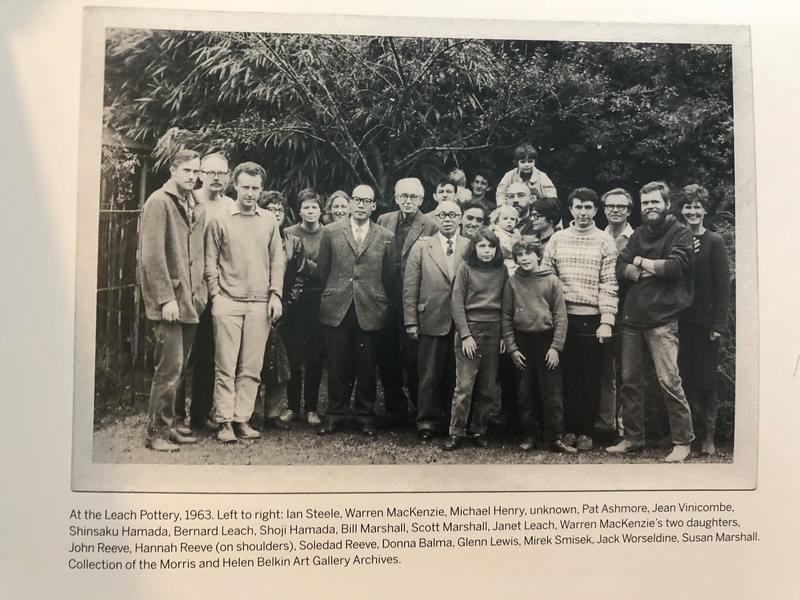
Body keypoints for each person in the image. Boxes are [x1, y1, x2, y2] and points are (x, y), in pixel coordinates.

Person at [607, 181, 696, 462]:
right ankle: (632, 438)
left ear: (667, 203)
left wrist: (642, 262)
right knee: (629, 382)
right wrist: (644, 270)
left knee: (669, 381)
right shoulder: (639, 233)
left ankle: (683, 441)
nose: (649, 207)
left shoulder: (679, 232)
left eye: (654, 202)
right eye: (645, 203)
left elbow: (675, 266)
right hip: (633, 319)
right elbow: (620, 265)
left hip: (663, 319)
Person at [205, 162, 285, 443]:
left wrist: (275, 294)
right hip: (228, 302)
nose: (250, 193)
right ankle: (224, 422)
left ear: (261, 190)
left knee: (252, 367)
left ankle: (242, 420)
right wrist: (215, 296)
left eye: (255, 188)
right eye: (245, 187)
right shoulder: (220, 220)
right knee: (225, 366)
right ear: (234, 186)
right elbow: (210, 261)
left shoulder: (269, 221)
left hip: (259, 305)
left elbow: (278, 259)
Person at [139, 149, 207, 451]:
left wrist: (201, 292)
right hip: (170, 304)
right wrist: (166, 299)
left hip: (191, 301)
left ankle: (170, 428)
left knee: (179, 370)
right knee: (168, 369)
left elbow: (197, 254)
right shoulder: (159, 202)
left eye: (196, 171)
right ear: (172, 170)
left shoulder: (194, 203)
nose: (193, 176)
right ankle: (155, 433)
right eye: (187, 171)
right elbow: (151, 256)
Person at [542, 187, 618, 452]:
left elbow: (609, 282)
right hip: (562, 318)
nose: (583, 212)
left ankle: (587, 431)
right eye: (578, 207)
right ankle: (570, 429)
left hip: (592, 319)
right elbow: (547, 280)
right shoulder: (557, 239)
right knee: (567, 377)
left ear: (595, 211)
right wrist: (551, 316)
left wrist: (606, 320)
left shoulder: (604, 240)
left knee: (591, 377)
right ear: (570, 209)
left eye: (588, 207)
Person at [316, 184, 393, 436]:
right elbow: (323, 269)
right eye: (357, 200)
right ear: (349, 204)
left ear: (374, 206)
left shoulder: (385, 236)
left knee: (367, 365)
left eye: (366, 201)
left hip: (370, 307)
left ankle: (365, 416)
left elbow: (389, 274)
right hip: (337, 305)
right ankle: (335, 413)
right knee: (337, 364)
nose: (361, 205)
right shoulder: (330, 231)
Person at [502, 237, 575, 453]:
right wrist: (513, 348)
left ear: (538, 255)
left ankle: (553, 437)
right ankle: (529, 435)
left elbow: (561, 316)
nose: (524, 258)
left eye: (528, 253)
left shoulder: (551, 281)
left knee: (552, 393)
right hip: (522, 341)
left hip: (546, 341)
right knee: (525, 393)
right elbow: (506, 317)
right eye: (520, 255)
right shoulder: (513, 282)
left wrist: (556, 347)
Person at [376, 177, 439, 428]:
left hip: (414, 299)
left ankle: (420, 408)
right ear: (396, 198)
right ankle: (395, 410)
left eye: (413, 197)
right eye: (403, 196)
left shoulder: (431, 225)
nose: (408, 201)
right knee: (387, 355)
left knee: (415, 358)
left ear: (421, 200)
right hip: (386, 298)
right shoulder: (384, 220)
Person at [403, 200, 468, 440]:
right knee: (428, 373)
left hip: (462, 321)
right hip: (430, 316)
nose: (448, 219)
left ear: (460, 218)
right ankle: (427, 422)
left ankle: (454, 422)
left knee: (457, 373)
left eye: (453, 214)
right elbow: (410, 286)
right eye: (443, 215)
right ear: (436, 219)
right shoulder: (421, 248)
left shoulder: (470, 247)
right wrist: (411, 320)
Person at [180, 151, 234, 432]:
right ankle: (177, 416)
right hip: (189, 288)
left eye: (221, 173)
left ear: (228, 177)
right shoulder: (189, 200)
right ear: (201, 174)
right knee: (182, 353)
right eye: (210, 172)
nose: (216, 178)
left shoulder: (232, 206)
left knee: (209, 353)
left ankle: (200, 415)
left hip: (219, 290)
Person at [677, 184, 731, 456]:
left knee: (706, 382)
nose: (692, 211)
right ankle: (686, 435)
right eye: (687, 206)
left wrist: (718, 325)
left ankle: (708, 439)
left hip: (706, 325)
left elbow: (723, 288)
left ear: (705, 209)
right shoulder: (676, 238)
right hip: (679, 322)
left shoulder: (715, 242)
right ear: (681, 210)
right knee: (682, 380)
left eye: (697, 206)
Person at [444, 227, 509, 450]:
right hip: (470, 330)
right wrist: (465, 335)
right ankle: (456, 432)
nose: (487, 251)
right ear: (474, 248)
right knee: (464, 386)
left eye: (491, 246)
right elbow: (456, 303)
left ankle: (478, 430)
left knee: (488, 388)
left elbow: (505, 304)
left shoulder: (502, 270)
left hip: (493, 331)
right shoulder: (465, 268)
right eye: (482, 246)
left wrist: (502, 335)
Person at [256, 191, 307, 431]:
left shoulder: (293, 241)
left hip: (286, 313)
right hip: (255, 307)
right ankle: (250, 413)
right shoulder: (253, 236)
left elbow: (299, 278)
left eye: (280, 210)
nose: (276, 214)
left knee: (282, 365)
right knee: (252, 361)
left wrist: (284, 308)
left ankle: (273, 413)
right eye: (271, 208)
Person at [282, 188, 327, 426]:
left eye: (315, 207)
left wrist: (305, 265)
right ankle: (291, 406)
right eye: (306, 207)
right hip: (294, 300)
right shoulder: (289, 233)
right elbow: (286, 268)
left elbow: (326, 270)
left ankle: (311, 408)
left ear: (321, 210)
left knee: (315, 354)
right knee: (293, 353)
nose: (311, 211)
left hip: (318, 300)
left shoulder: (328, 233)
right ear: (299, 210)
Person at [597, 188, 636, 440]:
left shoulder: (635, 238)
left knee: (627, 373)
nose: (615, 210)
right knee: (604, 371)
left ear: (629, 211)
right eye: (610, 206)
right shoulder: (599, 237)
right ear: (604, 209)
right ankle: (605, 425)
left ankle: (626, 428)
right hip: (603, 310)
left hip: (629, 311)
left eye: (620, 207)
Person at [489, 204, 521, 276]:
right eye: (505, 218)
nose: (509, 221)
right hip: (503, 262)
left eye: (512, 219)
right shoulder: (498, 233)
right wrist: (516, 240)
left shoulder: (514, 233)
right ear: (497, 221)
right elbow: (508, 249)